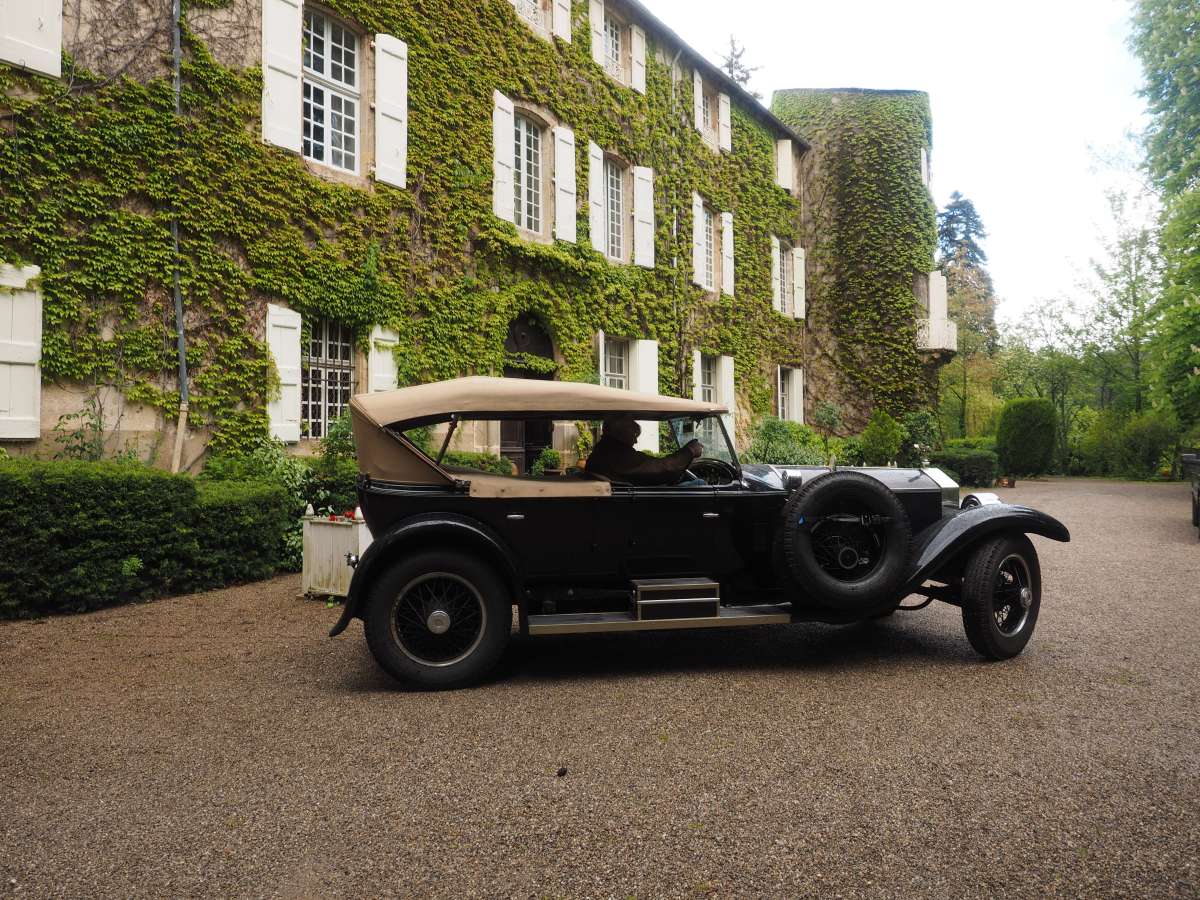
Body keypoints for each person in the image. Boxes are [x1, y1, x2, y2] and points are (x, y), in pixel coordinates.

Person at [584, 414, 703, 486]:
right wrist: (690, 451)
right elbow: (663, 469)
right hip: (637, 505)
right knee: (700, 484)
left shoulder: (604, 450)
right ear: (620, 433)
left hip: (633, 497)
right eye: (634, 435)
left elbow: (654, 467)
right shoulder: (617, 455)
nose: (635, 441)